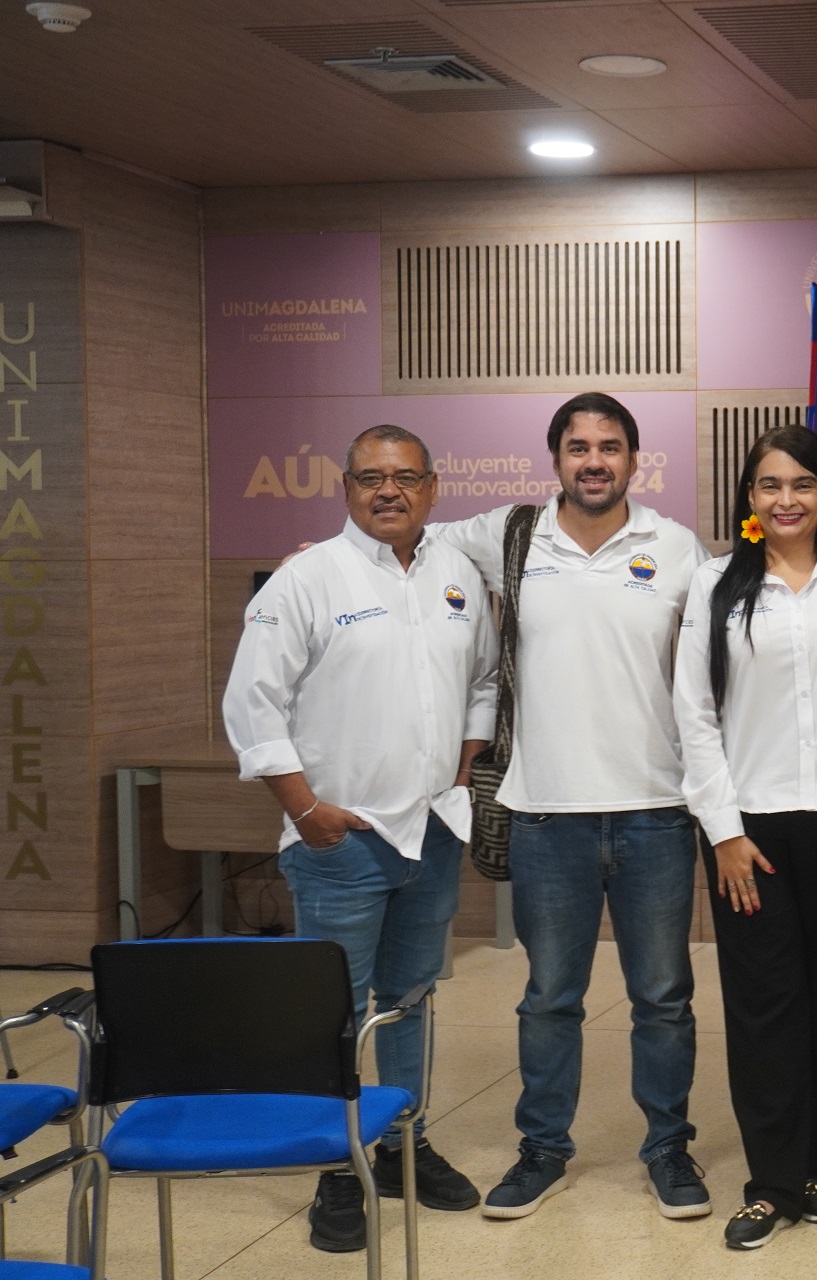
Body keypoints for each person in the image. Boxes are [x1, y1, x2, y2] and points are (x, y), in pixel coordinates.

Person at [430, 392, 713, 1222]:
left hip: (656, 811)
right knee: (550, 996)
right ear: (555, 458)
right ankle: (543, 1150)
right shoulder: (508, 535)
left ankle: (668, 1149)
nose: (595, 460)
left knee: (663, 995)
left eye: (611, 446)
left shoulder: (675, 546)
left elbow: (708, 669)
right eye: (579, 447)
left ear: (635, 458)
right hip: (545, 814)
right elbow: (412, 545)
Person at [224, 424, 498, 1253]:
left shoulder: (458, 576)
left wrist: (462, 766)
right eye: (372, 478)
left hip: (432, 833)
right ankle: (337, 1169)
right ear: (345, 488)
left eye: (407, 478)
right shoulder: (307, 578)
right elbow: (252, 705)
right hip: (340, 840)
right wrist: (308, 813)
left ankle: (401, 1139)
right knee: (334, 1013)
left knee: (410, 999)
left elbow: (483, 679)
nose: (390, 491)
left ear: (434, 489)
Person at [672, 425, 817, 1250]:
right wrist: (722, 830)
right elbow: (693, 711)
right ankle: (769, 1182)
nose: (787, 499)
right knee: (766, 1002)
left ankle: (813, 1168)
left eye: (802, 484)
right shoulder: (716, 585)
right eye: (769, 485)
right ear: (749, 500)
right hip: (749, 829)